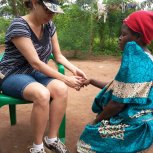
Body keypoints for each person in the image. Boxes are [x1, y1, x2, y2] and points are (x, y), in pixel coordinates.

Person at [0, 0, 87, 153]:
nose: (51, 15)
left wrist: (75, 69)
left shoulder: (49, 26)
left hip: (36, 73)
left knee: (60, 89)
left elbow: (58, 56)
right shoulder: (19, 25)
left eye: (53, 12)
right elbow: (35, 63)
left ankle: (52, 139)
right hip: (13, 73)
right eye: (47, 10)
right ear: (34, 3)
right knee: (42, 94)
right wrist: (66, 79)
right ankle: (37, 147)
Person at [77, 10, 153, 153]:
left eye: (124, 35)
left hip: (136, 127)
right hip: (143, 121)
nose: (120, 38)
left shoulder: (135, 63)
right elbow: (120, 88)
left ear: (138, 37)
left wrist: (96, 120)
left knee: (87, 138)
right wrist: (91, 80)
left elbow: (118, 104)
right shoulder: (146, 57)